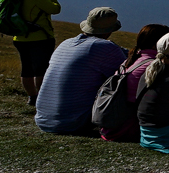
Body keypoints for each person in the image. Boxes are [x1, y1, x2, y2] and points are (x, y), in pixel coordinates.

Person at [35, 7, 126, 135]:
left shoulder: (65, 43)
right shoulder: (105, 47)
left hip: (43, 119)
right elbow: (127, 72)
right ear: (109, 30)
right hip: (73, 122)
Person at [101, 23, 169, 142]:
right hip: (129, 128)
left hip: (113, 126)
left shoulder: (129, 61)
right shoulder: (154, 66)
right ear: (157, 45)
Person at [1, 0, 61, 106]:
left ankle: (32, 97)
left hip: (20, 38)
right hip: (40, 38)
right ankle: (43, 98)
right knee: (41, 69)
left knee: (26, 69)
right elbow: (55, 9)